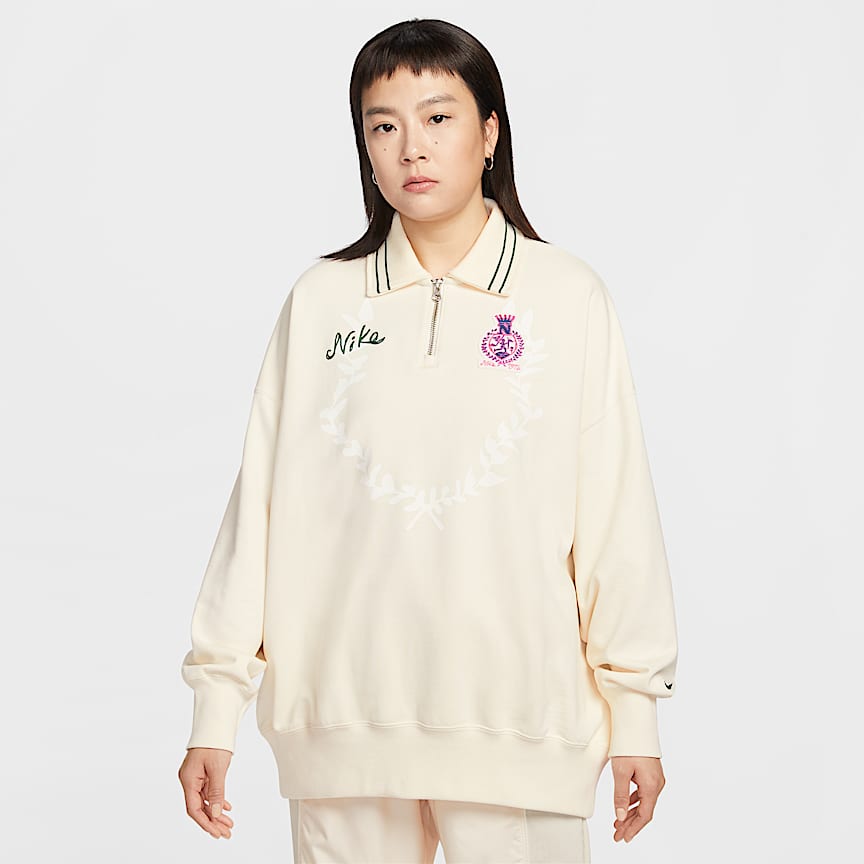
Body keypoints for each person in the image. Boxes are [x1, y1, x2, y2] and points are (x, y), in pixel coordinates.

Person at [177, 17, 678, 864]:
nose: (411, 146)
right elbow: (256, 512)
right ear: (365, 148)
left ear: (490, 133)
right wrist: (213, 710)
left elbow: (615, 514)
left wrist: (637, 714)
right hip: (341, 730)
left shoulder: (567, 296)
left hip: (520, 729)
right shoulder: (323, 302)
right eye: (383, 125)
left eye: (439, 117)